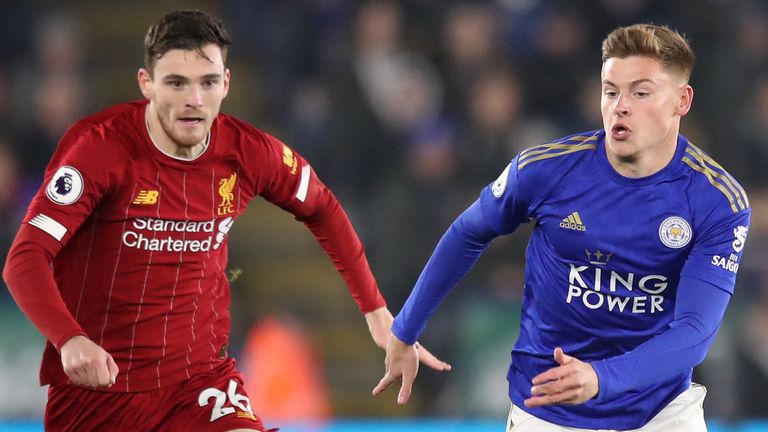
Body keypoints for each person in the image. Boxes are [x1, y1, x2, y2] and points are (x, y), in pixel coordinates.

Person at [2, 10, 450, 432]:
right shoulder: (99, 150)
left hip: (198, 381)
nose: (194, 100)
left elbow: (323, 207)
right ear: (146, 83)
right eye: (176, 82)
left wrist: (375, 312)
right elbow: (24, 259)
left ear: (227, 83)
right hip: (99, 390)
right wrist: (69, 339)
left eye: (208, 82)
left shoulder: (248, 152)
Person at [373, 23, 751, 431]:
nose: (620, 106)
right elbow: (468, 234)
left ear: (682, 100)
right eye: (610, 91)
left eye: (641, 92)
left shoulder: (717, 202)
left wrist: (602, 377)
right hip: (548, 409)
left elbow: (695, 331)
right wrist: (405, 329)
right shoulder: (546, 169)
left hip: (659, 414)